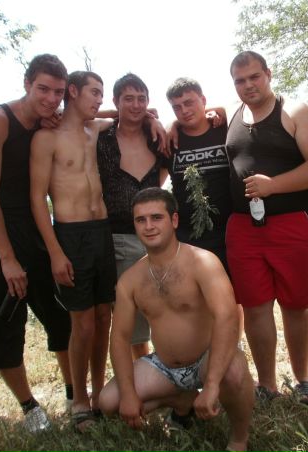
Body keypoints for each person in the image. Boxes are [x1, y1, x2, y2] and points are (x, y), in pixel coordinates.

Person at [98, 187, 254, 452]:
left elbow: (226, 317)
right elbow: (120, 338)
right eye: (141, 220)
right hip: (165, 368)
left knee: (235, 373)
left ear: (174, 220)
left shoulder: (203, 262)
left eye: (156, 217)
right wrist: (128, 394)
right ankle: (182, 400)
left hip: (208, 358)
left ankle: (239, 438)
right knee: (108, 402)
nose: (149, 226)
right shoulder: (130, 280)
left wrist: (212, 384)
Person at [225, 51, 308, 404]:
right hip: (243, 226)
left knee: (295, 305)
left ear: (268, 74)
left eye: (254, 77)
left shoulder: (294, 111)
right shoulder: (233, 115)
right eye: (240, 80)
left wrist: (274, 186)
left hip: (292, 221)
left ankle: (302, 381)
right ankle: (267, 385)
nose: (248, 85)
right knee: (254, 306)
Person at [0, 54, 72, 433]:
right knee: (5, 321)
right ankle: (30, 408)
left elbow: (88, 112)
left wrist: (148, 117)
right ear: (27, 83)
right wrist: (6, 258)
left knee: (62, 313)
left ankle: (73, 393)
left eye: (58, 92)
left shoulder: (47, 121)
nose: (51, 98)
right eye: (43, 89)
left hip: (36, 227)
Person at [30, 71, 117, 432]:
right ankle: (79, 400)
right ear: (73, 91)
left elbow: (123, 114)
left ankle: (98, 392)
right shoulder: (46, 138)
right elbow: (37, 199)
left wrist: (154, 120)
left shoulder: (93, 129)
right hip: (71, 235)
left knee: (103, 317)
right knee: (82, 323)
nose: (99, 99)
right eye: (94, 93)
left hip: (102, 231)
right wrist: (55, 252)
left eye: (101, 94)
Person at [97, 73, 168, 360]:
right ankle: (143, 373)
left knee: (166, 311)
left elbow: (163, 175)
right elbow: (72, 116)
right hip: (120, 239)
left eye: (141, 99)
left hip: (160, 240)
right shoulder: (101, 138)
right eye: (128, 99)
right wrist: (130, 115)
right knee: (133, 321)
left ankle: (172, 369)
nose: (136, 105)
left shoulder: (157, 138)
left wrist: (153, 120)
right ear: (116, 101)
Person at [165, 77, 230, 270]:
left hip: (230, 233)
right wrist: (171, 124)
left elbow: (243, 106)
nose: (184, 111)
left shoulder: (225, 129)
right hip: (188, 237)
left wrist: (221, 109)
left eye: (189, 103)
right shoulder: (169, 141)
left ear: (203, 100)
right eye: (176, 107)